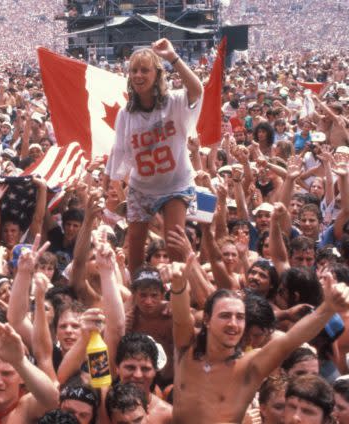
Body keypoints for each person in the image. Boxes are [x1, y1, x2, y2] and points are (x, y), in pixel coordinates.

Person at [168, 256, 349, 423]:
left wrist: (328, 308)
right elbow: (181, 318)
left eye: (239, 317)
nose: (233, 324)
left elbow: (291, 340)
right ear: (207, 319)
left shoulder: (250, 366)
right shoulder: (187, 348)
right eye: (225, 316)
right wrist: (178, 285)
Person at [106, 38, 203, 273]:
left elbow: (197, 89)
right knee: (135, 244)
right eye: (134, 70)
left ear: (157, 74)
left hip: (175, 184)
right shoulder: (126, 114)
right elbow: (118, 150)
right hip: (142, 186)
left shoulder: (175, 102)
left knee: (175, 242)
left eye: (144, 70)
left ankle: (182, 291)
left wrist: (172, 57)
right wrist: (107, 186)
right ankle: (140, 291)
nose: (138, 75)